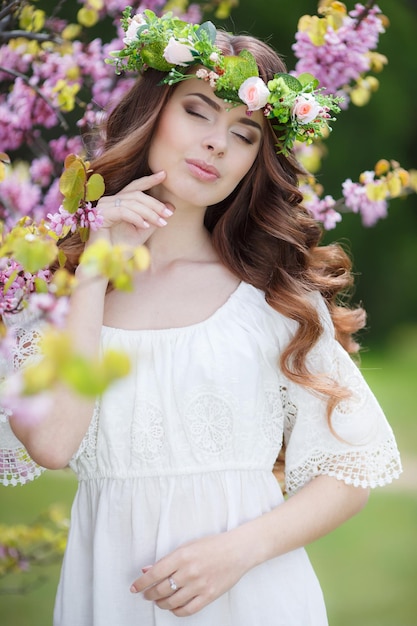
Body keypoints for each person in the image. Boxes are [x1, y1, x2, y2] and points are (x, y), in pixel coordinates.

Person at [0, 10, 402, 626]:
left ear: (253, 164)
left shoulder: (271, 295)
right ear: (151, 113)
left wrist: (236, 553)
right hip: (111, 599)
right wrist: (94, 273)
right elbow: (53, 445)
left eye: (245, 134)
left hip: (255, 599)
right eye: (198, 111)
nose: (218, 141)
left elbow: (349, 469)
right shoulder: (58, 290)